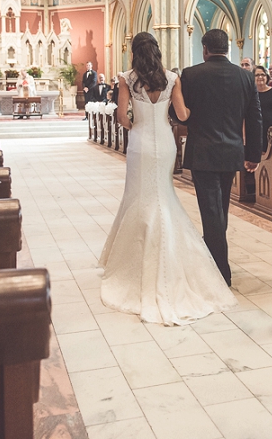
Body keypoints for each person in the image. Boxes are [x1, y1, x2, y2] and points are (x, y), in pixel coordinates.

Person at [99, 33, 237, 324]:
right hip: (165, 141)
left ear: (135, 53)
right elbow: (183, 114)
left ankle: (137, 255)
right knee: (164, 196)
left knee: (139, 196)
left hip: (140, 143)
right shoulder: (172, 78)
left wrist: (135, 121)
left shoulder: (126, 78)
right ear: (157, 52)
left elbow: (123, 118)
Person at [179, 29, 262, 286]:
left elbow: (180, 113)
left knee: (212, 210)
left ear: (205, 49)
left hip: (203, 151)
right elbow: (255, 118)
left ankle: (220, 271)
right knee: (220, 208)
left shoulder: (191, 75)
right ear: (228, 49)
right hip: (232, 151)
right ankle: (214, 258)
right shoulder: (246, 77)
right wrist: (254, 154)